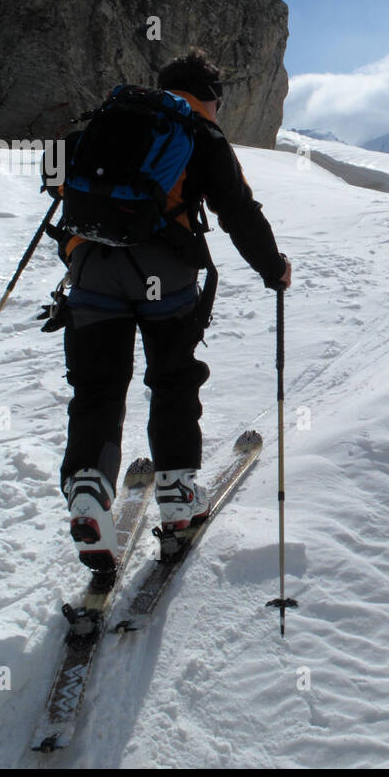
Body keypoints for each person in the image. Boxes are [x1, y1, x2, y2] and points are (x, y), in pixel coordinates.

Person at [54, 48, 292, 580]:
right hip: (166, 275)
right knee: (173, 379)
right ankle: (178, 495)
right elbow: (238, 211)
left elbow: (58, 182)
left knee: (96, 388)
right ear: (210, 99)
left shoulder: (112, 120)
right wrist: (273, 268)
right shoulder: (200, 135)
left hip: (91, 270)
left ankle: (90, 491)